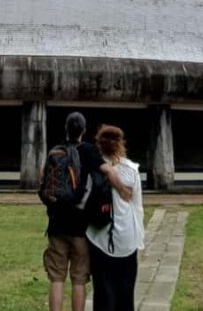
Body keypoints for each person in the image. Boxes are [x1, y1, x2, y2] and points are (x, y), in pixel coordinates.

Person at [43, 112, 133, 311]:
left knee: (57, 277)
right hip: (80, 227)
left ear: (66, 129)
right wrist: (123, 191)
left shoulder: (55, 151)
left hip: (56, 225)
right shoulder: (89, 151)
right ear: (83, 131)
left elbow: (46, 185)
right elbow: (109, 172)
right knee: (79, 279)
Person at [86, 125, 145, 311]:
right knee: (126, 291)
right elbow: (137, 206)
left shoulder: (93, 167)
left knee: (103, 291)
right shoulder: (131, 170)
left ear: (99, 144)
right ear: (121, 144)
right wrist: (139, 238)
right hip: (128, 237)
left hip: (98, 235)